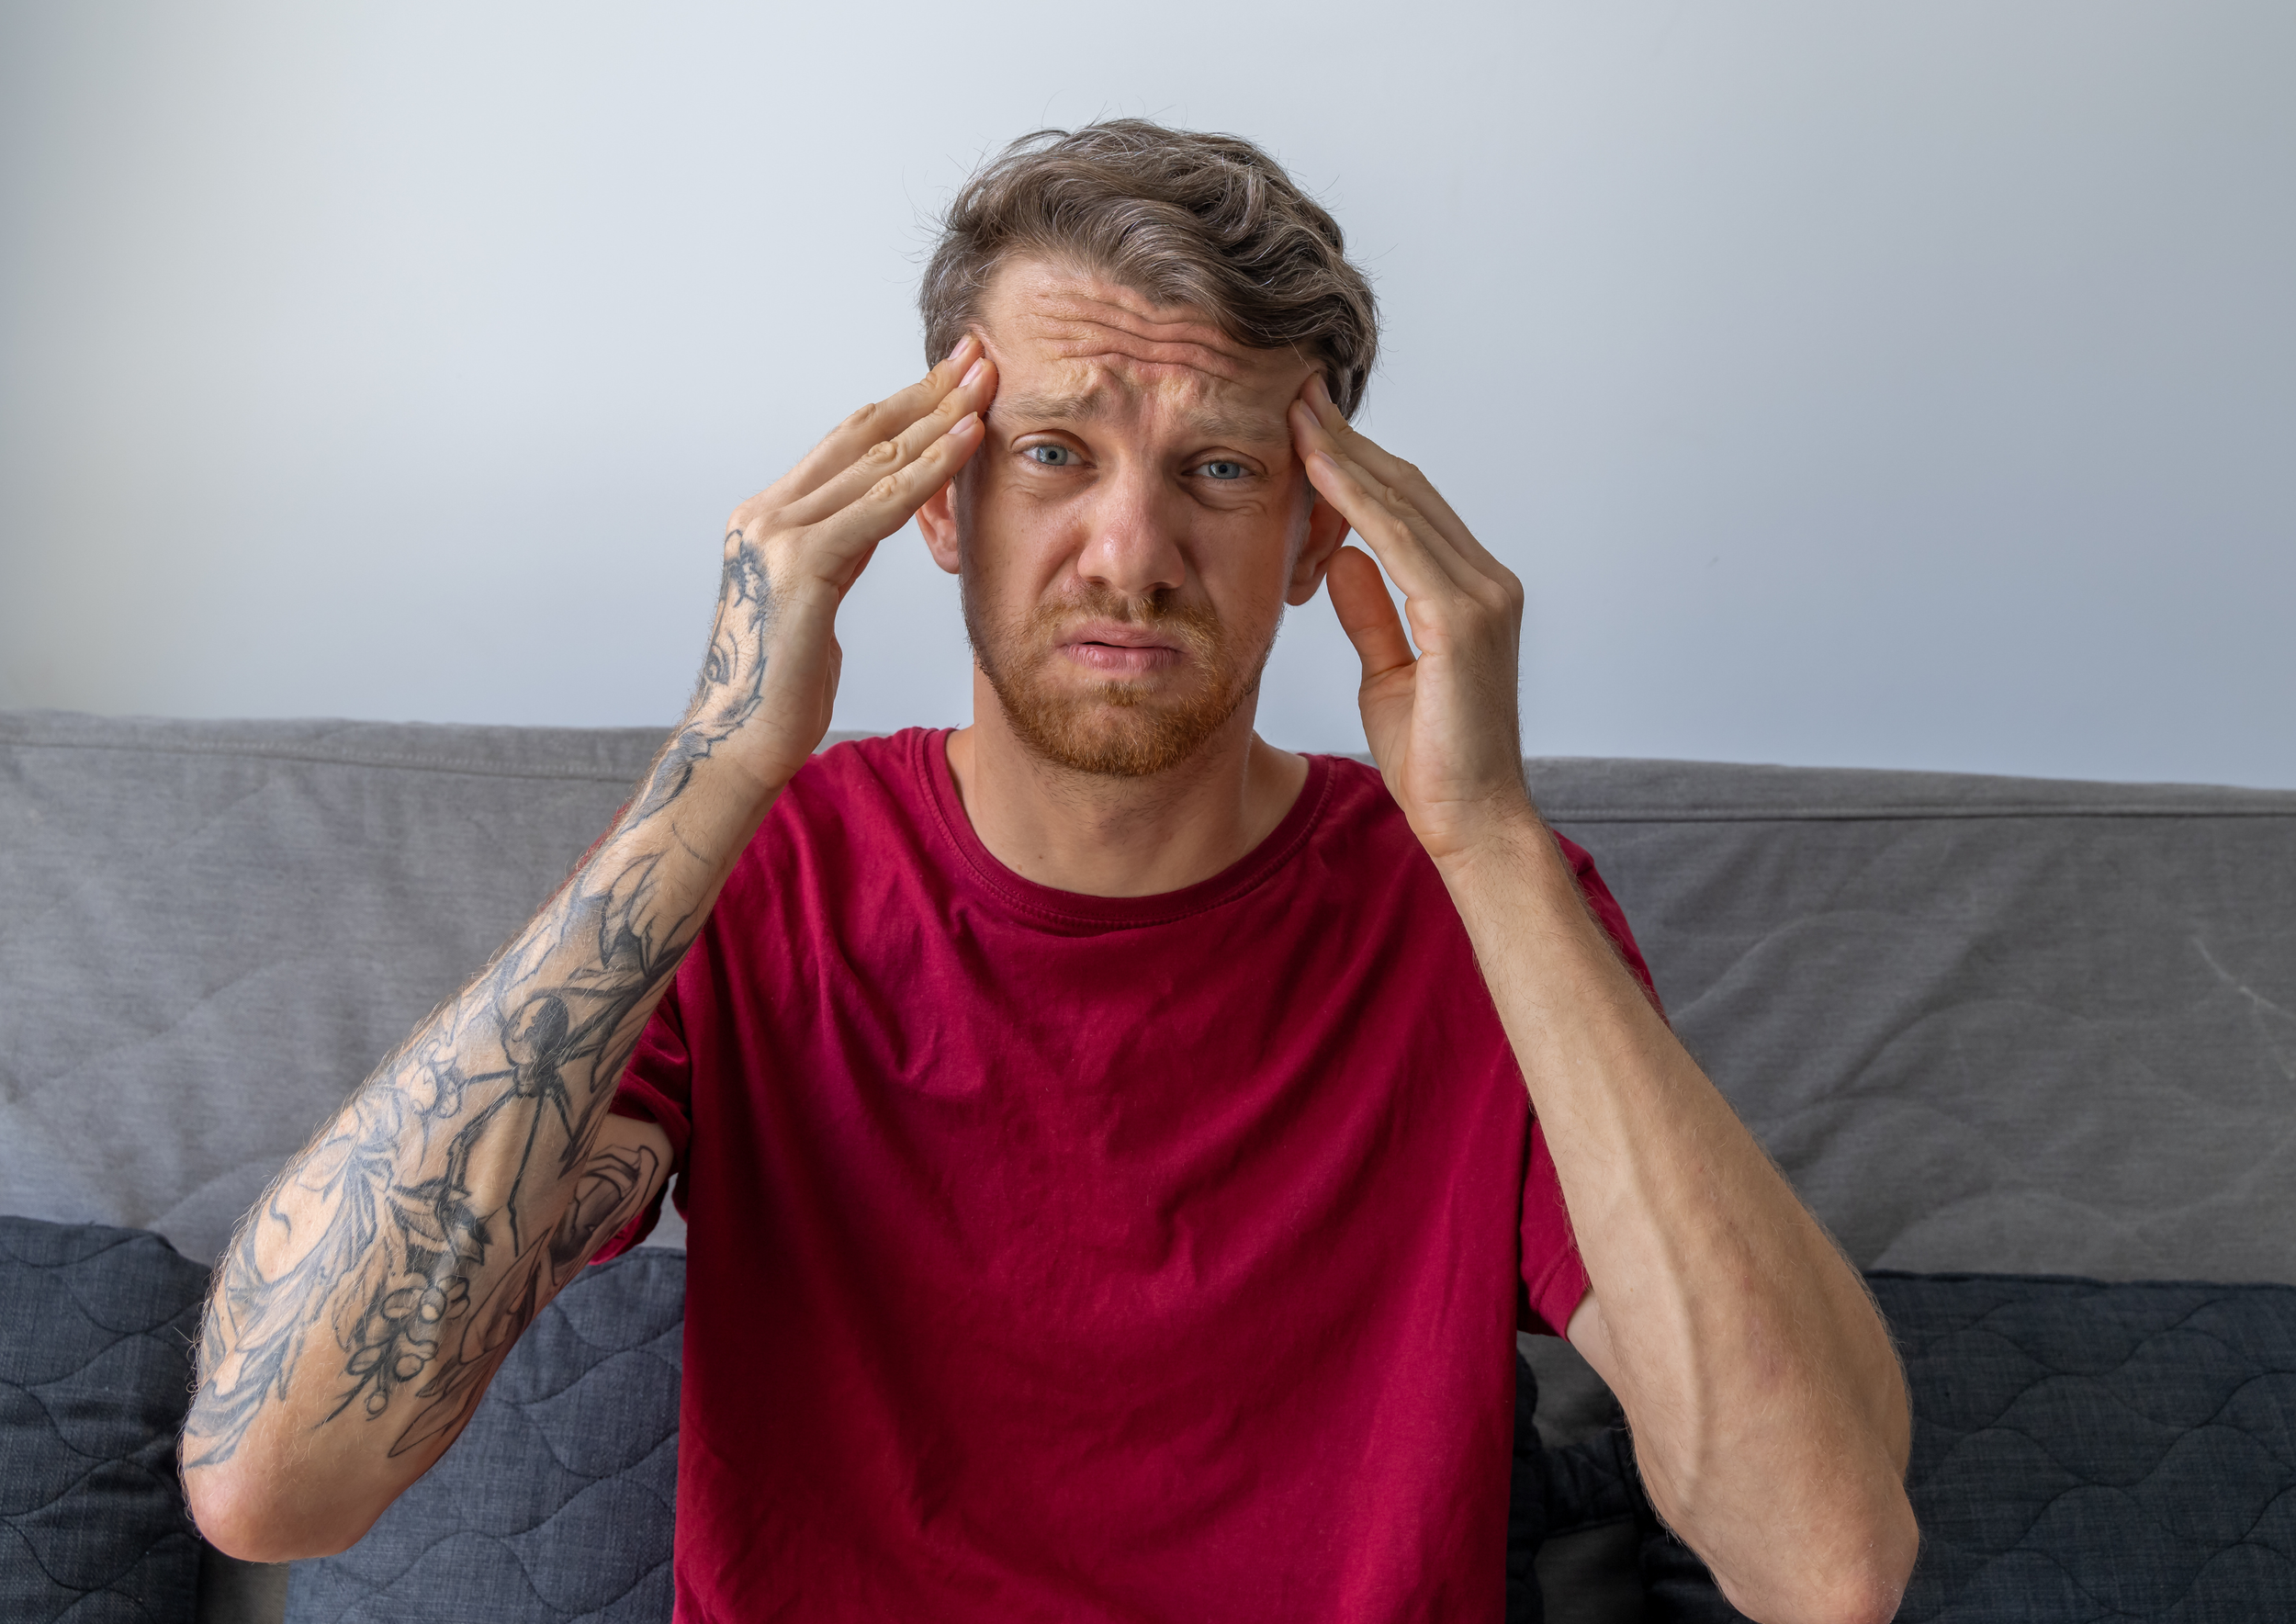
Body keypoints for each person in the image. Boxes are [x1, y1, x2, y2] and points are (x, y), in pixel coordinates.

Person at [184, 120, 1918, 1621]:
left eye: (1221, 472)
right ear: (938, 503)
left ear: (1323, 534)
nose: (1130, 551)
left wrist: (1491, 835)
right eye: (1054, 454)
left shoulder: (1475, 912)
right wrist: (720, 762)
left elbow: (1823, 1566)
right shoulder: (764, 877)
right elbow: (278, 1483)